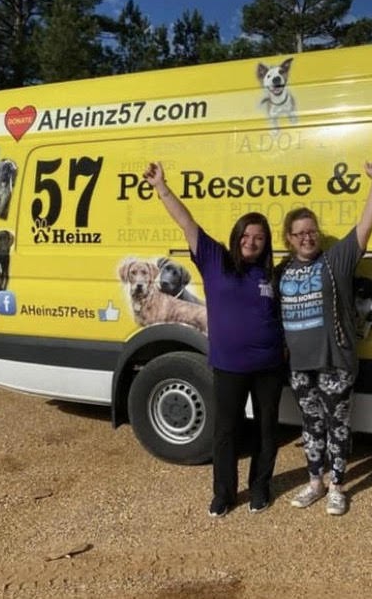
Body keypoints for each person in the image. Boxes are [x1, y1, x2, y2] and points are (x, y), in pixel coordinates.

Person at [142, 161, 285, 518]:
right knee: (226, 432)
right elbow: (186, 222)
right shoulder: (215, 259)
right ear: (237, 237)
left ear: (266, 244)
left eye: (259, 237)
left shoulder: (269, 273)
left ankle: (260, 488)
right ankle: (223, 494)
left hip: (268, 367)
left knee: (267, 430)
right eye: (246, 235)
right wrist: (162, 187)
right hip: (228, 366)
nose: (251, 241)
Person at [277, 161, 372, 516]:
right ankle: (314, 483)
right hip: (299, 366)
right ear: (289, 239)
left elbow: (365, 227)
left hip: (334, 362)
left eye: (312, 231)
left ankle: (337, 486)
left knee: (337, 426)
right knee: (310, 427)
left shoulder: (334, 261)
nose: (307, 237)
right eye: (299, 233)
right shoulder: (281, 271)